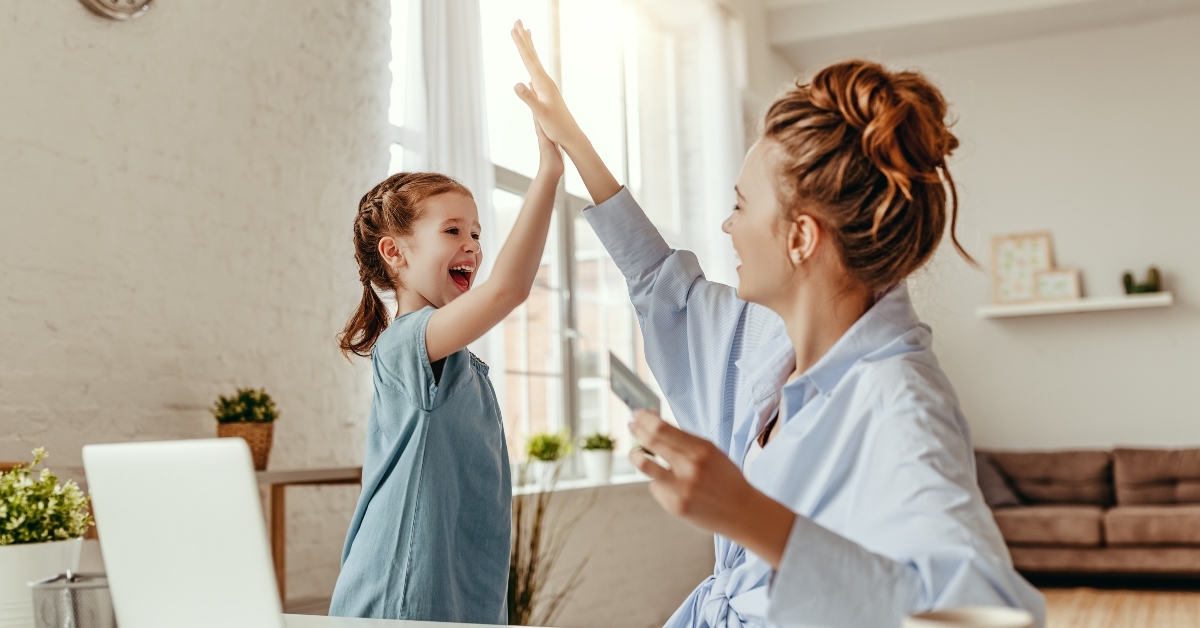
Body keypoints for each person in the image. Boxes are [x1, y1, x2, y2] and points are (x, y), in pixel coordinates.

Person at [511, 21, 1045, 628]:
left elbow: (982, 616)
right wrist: (575, 142)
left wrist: (745, 513)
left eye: (740, 205)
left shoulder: (900, 403)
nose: (726, 227)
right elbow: (663, 285)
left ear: (800, 237)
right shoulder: (768, 341)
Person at [327, 123, 563, 623]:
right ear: (395, 252)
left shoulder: (459, 362)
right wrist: (548, 172)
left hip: (459, 594)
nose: (473, 245)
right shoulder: (405, 345)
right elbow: (507, 289)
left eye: (477, 232)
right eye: (453, 230)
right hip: (403, 589)